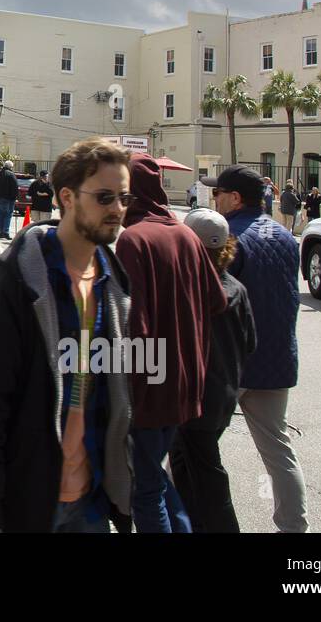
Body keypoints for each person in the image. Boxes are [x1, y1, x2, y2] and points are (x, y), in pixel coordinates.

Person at [0, 138, 134, 533]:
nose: (118, 209)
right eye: (104, 197)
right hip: (28, 500)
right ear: (67, 197)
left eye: (124, 198)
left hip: (92, 504)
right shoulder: (16, 286)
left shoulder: (113, 283)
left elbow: (117, 393)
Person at [114, 155, 227, 533]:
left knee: (146, 490)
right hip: (186, 381)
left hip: (151, 386)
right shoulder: (185, 234)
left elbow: (135, 325)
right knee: (157, 479)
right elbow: (217, 300)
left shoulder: (134, 239)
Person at [200, 163, 308, 532]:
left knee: (194, 448)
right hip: (278, 358)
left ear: (234, 198)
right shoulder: (285, 236)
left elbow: (218, 302)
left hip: (234, 363)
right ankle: (294, 526)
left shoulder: (229, 236)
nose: (214, 200)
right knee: (279, 451)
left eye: (217, 194)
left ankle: (183, 517)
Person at [170, 209, 257, 532]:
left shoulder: (186, 291)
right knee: (186, 466)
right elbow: (250, 344)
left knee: (207, 477)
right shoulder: (236, 287)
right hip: (222, 397)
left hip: (195, 402)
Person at [0, 160, 19, 239]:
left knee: (1, 214)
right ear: (10, 167)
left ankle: (1, 231)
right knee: (8, 214)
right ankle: (5, 232)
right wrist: (15, 197)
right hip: (8, 198)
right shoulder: (11, 175)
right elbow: (15, 187)